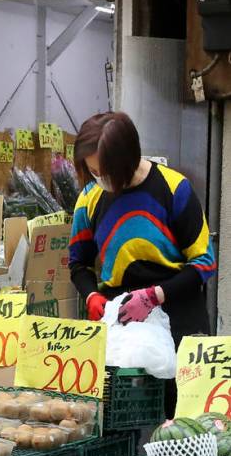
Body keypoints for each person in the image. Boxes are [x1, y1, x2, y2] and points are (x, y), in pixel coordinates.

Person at [68, 111, 216, 417]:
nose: (99, 179)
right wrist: (92, 296)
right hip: (121, 322)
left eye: (105, 171)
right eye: (93, 171)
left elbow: (204, 263)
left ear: (128, 159)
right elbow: (78, 264)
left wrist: (154, 296)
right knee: (118, 420)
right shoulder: (89, 198)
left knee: (183, 420)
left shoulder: (175, 189)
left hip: (179, 314)